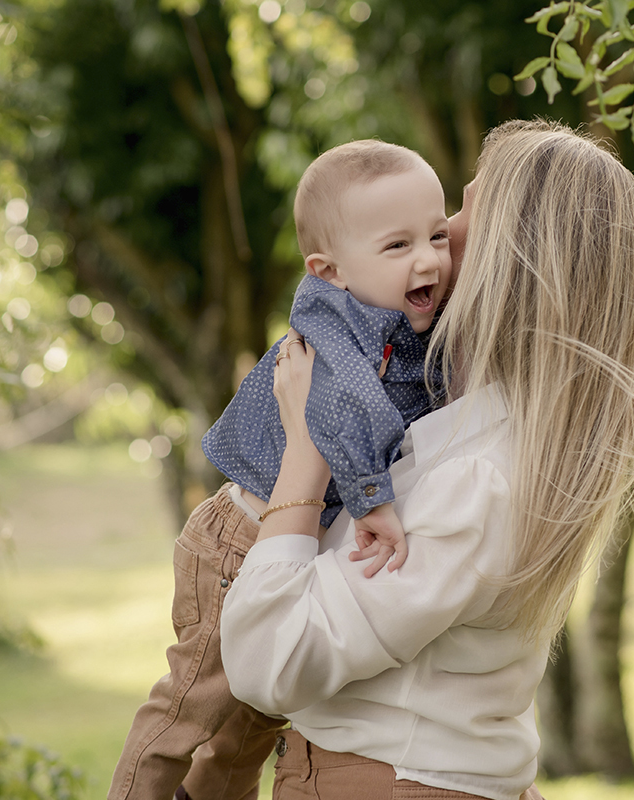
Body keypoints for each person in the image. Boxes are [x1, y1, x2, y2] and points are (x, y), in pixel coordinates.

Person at [220, 119, 634, 800]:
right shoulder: (481, 428)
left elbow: (270, 662)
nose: (444, 226)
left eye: (467, 210)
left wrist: (306, 455)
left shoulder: (479, 478)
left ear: (512, 254)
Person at [109, 140, 452, 800]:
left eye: (437, 235)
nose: (430, 258)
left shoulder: (404, 318)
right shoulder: (333, 320)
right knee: (191, 706)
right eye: (398, 246)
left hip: (280, 541)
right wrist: (374, 500)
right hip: (236, 541)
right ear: (328, 270)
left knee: (250, 727)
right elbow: (340, 403)